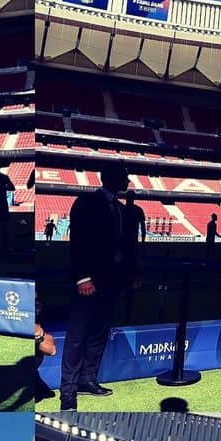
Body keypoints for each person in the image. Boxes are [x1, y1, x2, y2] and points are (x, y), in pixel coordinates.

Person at [59, 164, 137, 410]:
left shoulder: (123, 211)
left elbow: (127, 247)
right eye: (125, 177)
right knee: (77, 337)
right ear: (113, 178)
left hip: (111, 282)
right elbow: (78, 242)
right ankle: (68, 393)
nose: (128, 182)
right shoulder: (86, 203)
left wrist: (132, 274)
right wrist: (82, 277)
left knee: (98, 333)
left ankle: (87, 379)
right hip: (88, 282)